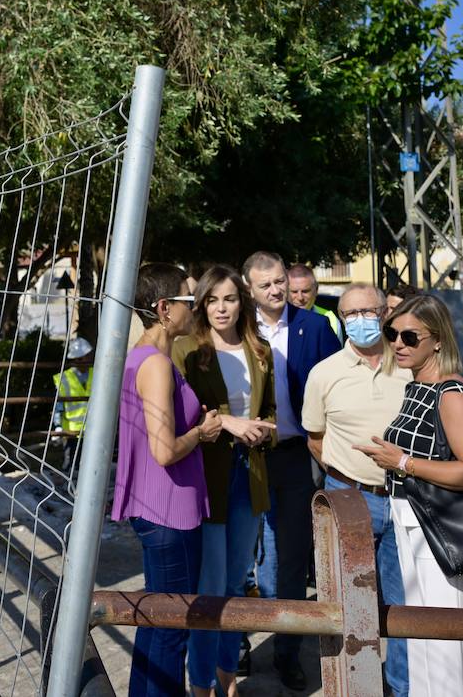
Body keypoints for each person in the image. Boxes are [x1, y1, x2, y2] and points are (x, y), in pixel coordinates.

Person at [356, 294, 463, 697]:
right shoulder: (417, 386)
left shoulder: (450, 394)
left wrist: (402, 462)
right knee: (426, 644)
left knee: (449, 648)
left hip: (444, 536)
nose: (397, 344)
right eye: (392, 333)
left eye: (410, 336)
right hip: (415, 529)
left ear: (437, 341)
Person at [111, 262, 221, 697]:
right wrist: (202, 433)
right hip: (168, 512)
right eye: (190, 299)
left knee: (157, 622)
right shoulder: (155, 364)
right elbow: (164, 450)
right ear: (164, 308)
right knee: (172, 627)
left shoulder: (144, 357)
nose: (197, 308)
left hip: (160, 510)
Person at [173, 266, 277, 697]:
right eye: (212, 300)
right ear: (201, 305)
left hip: (249, 475)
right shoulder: (186, 348)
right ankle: (201, 684)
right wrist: (231, 423)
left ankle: (227, 677)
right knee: (210, 587)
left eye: (229, 299)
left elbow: (270, 411)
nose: (221, 308)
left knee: (236, 584)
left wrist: (263, 430)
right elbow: (182, 412)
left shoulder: (260, 349)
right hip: (207, 477)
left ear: (242, 302)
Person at [302, 282, 410, 697]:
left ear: (385, 314)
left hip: (406, 499)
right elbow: (316, 440)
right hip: (349, 498)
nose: (360, 320)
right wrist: (348, 475)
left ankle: (400, 687)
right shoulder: (324, 373)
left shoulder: (409, 366)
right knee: (349, 604)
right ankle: (353, 686)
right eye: (350, 313)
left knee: (402, 606)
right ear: (341, 319)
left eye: (368, 311)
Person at [243, 250, 341, 691]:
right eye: (265, 284)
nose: (276, 290)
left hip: (295, 457)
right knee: (241, 558)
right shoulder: (237, 327)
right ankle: (235, 644)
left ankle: (287, 651)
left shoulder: (314, 327)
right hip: (245, 459)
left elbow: (337, 384)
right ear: (250, 289)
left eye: (279, 281)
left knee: (291, 557)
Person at [54, 337, 95, 473]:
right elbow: (58, 405)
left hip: (93, 429)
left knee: (90, 464)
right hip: (71, 431)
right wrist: (58, 426)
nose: (87, 359)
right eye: (84, 357)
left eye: (88, 356)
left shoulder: (97, 373)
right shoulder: (63, 378)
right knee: (71, 463)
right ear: (75, 359)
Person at [287, 264, 341, 338]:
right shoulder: (277, 318)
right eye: (294, 292)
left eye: (305, 291)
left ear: (316, 290)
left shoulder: (330, 318)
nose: (300, 298)